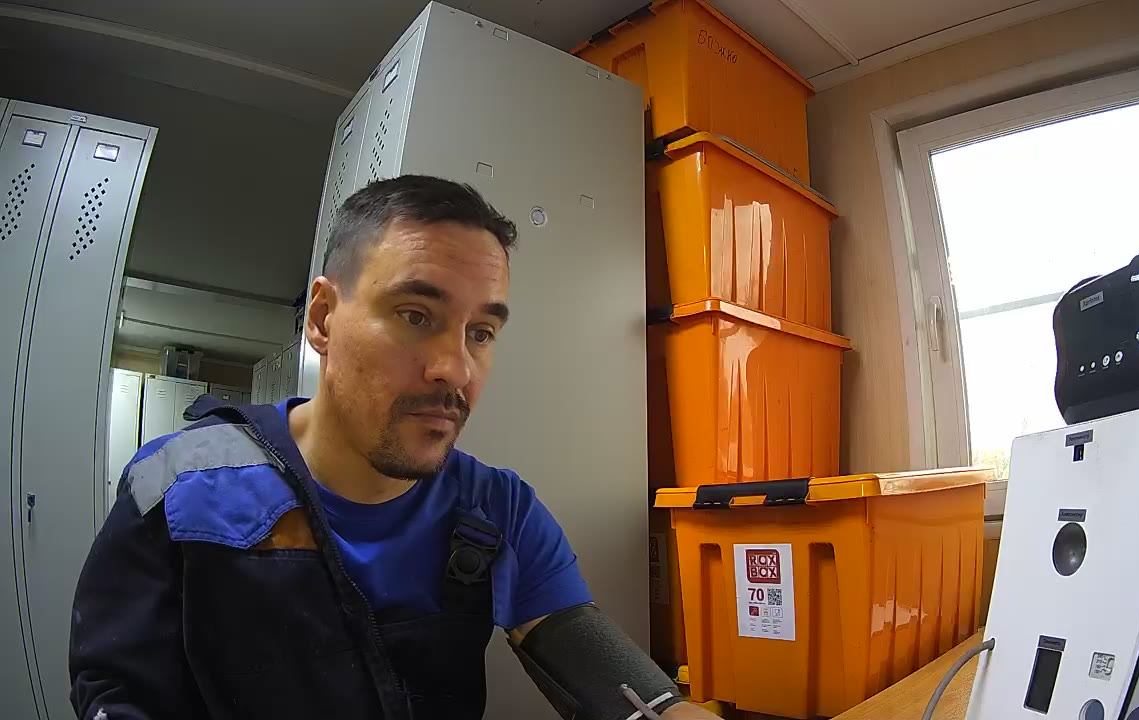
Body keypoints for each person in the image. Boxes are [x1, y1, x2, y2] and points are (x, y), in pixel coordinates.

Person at [69, 176, 718, 720]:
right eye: (415, 316)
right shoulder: (182, 483)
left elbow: (609, 675)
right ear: (323, 318)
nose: (455, 369)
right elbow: (119, 693)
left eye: (481, 332)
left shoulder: (498, 510)